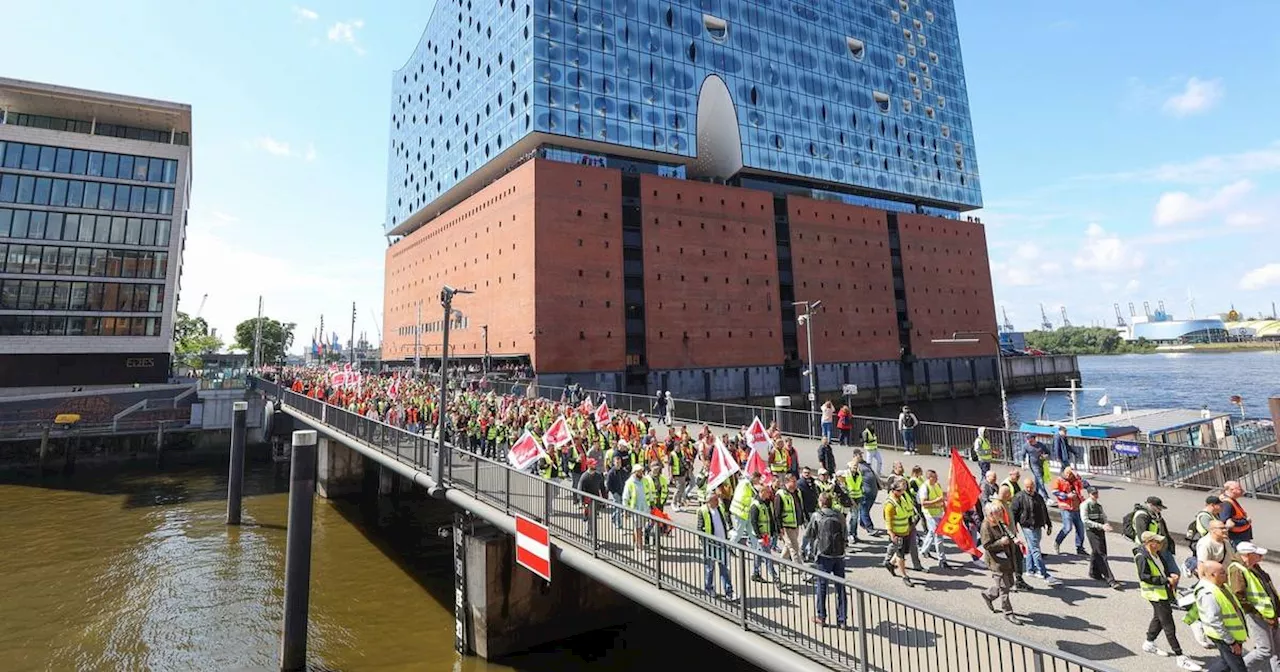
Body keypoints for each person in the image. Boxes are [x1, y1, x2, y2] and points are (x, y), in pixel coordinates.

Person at [1138, 531, 1202, 670]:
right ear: (1150, 542)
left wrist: (1170, 575)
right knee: (1168, 624)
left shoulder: (1157, 553)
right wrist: (1166, 579)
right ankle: (1180, 656)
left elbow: (1163, 569)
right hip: (1155, 594)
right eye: (1158, 542)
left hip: (1162, 592)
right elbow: (1144, 576)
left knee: (1159, 618)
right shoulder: (1142, 557)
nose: (1161, 544)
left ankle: (1149, 643)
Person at [1228, 543, 1279, 672]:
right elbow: (1239, 596)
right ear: (1247, 555)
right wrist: (1259, 614)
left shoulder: (1253, 566)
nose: (1261, 557)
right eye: (1258, 555)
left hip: (1268, 613)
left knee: (1276, 649)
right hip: (1257, 615)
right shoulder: (1237, 569)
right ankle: (1239, 669)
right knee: (1264, 650)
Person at [1195, 560, 1246, 672]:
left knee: (1225, 664)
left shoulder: (1221, 586)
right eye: (1222, 572)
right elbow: (1215, 620)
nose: (1226, 574)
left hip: (1230, 634)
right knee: (1239, 668)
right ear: (1212, 575)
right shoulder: (1208, 593)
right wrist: (1231, 642)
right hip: (1223, 636)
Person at [1012, 477, 1060, 586]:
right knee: (1036, 549)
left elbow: (1044, 511)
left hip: (1038, 526)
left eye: (1031, 487)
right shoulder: (1019, 497)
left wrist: (1048, 524)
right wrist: (1014, 526)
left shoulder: (1038, 497)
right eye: (1027, 487)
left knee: (1032, 547)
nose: (1029, 489)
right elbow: (1013, 512)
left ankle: (1030, 569)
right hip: (1027, 526)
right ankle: (1044, 573)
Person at [809, 492, 848, 628]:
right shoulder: (840, 516)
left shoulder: (817, 515)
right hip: (839, 555)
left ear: (820, 502)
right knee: (840, 587)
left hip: (823, 555)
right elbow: (845, 533)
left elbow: (810, 534)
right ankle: (842, 619)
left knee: (822, 586)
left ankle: (821, 616)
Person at [979, 501, 1018, 623]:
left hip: (1007, 559)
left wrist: (1014, 539)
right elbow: (986, 545)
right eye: (998, 512)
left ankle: (988, 594)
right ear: (991, 514)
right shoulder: (986, 526)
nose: (1001, 514)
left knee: (1010, 583)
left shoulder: (999, 521)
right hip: (996, 562)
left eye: (1001, 512)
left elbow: (1007, 532)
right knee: (1005, 588)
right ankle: (1008, 612)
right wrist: (1001, 542)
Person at [695, 490, 734, 600]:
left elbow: (724, 521)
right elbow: (699, 528)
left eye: (717, 499)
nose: (718, 501)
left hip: (722, 543)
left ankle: (729, 591)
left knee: (724, 569)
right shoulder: (702, 511)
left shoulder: (720, 508)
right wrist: (704, 543)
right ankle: (709, 588)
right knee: (710, 568)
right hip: (710, 545)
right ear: (709, 501)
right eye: (715, 500)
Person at [1081, 486, 1121, 589]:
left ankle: (1094, 572)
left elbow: (1104, 516)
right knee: (1101, 554)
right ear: (1089, 494)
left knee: (1097, 551)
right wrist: (1101, 526)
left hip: (1101, 530)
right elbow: (1085, 520)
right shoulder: (1085, 505)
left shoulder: (1098, 505)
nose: (1096, 495)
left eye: (1096, 493)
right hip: (1092, 531)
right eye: (1093, 494)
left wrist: (1106, 524)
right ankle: (1110, 580)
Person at [882, 480, 916, 587]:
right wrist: (892, 534)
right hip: (897, 533)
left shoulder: (901, 498)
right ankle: (904, 576)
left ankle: (890, 563)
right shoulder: (890, 504)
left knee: (903, 552)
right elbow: (888, 521)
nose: (903, 492)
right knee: (901, 555)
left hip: (905, 530)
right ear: (894, 490)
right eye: (901, 490)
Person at [748, 484, 781, 585]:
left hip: (766, 534)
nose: (769, 494)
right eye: (767, 493)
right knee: (767, 556)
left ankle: (755, 573)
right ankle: (775, 577)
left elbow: (770, 519)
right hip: (761, 536)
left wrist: (774, 531)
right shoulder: (755, 505)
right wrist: (759, 537)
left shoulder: (766, 503)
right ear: (762, 492)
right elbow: (753, 522)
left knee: (759, 554)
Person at [918, 469, 950, 570]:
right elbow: (923, 503)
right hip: (930, 514)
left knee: (932, 532)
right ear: (930, 477)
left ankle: (923, 550)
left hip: (938, 513)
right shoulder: (925, 487)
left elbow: (942, 498)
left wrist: (945, 510)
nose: (937, 479)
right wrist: (938, 501)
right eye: (935, 477)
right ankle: (942, 559)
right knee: (938, 536)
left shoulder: (937, 485)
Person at [1053, 466, 1087, 555]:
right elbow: (1055, 491)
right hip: (1066, 508)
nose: (1072, 477)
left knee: (1080, 529)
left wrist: (1079, 478)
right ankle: (1057, 542)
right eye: (1070, 475)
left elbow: (1084, 485)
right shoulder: (1059, 480)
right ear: (1066, 474)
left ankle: (1079, 548)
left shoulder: (1076, 479)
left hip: (1077, 507)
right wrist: (1067, 496)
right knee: (1067, 528)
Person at [773, 475, 806, 563]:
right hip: (786, 526)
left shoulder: (797, 492)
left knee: (788, 546)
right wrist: (779, 528)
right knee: (794, 547)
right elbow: (777, 513)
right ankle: (801, 571)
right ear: (787, 482)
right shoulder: (781, 494)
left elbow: (800, 506)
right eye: (793, 481)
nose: (796, 484)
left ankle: (782, 563)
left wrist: (802, 520)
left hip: (796, 524)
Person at [622, 463, 651, 556]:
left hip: (645, 508)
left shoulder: (645, 480)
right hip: (636, 509)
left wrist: (651, 505)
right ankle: (640, 548)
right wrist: (625, 511)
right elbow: (625, 498)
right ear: (634, 472)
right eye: (639, 471)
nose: (641, 472)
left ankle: (635, 544)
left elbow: (649, 493)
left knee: (639, 528)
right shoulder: (629, 483)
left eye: (641, 471)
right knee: (638, 529)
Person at [729, 472, 762, 544]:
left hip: (747, 513)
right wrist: (753, 500)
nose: (758, 482)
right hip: (741, 512)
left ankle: (756, 550)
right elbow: (742, 498)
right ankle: (729, 547)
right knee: (738, 533)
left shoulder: (748, 484)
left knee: (753, 533)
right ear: (755, 478)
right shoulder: (745, 484)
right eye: (758, 480)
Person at [1220, 481, 1253, 546]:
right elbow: (1227, 522)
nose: (1242, 491)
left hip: (1241, 535)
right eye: (1239, 489)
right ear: (1232, 490)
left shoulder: (1231, 500)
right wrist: (1245, 521)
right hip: (1237, 537)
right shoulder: (1227, 504)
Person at [1024, 435, 1051, 501]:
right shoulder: (1026, 446)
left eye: (1029, 439)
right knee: (1040, 480)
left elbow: (1048, 453)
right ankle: (1046, 497)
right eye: (1027, 439)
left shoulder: (1041, 445)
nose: (1028, 441)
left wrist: (1045, 456)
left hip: (1041, 464)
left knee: (1037, 480)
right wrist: (1023, 464)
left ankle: (1034, 494)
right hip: (1033, 465)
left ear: (1033, 439)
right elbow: (1023, 454)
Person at [606, 454, 628, 528]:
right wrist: (614, 493)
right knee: (618, 508)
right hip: (616, 493)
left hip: (622, 492)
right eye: (617, 462)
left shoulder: (623, 471)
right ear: (614, 462)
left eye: (620, 462)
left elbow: (626, 480)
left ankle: (613, 517)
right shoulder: (611, 473)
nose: (619, 464)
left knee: (619, 508)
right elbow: (608, 484)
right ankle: (619, 524)